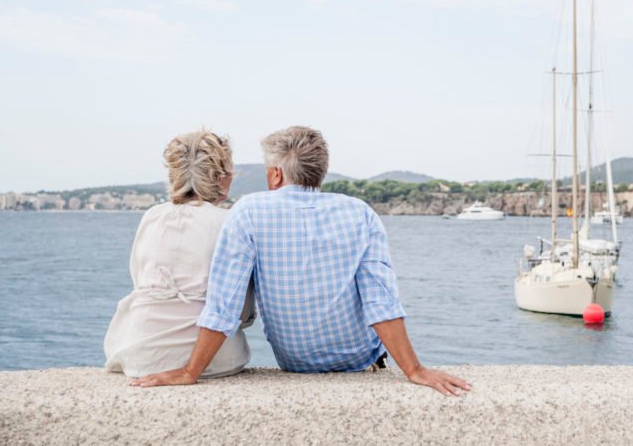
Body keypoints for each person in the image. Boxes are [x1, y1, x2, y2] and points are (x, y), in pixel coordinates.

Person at [131, 126, 470, 396]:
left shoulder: (248, 211)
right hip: (359, 361)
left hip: (296, 364)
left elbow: (225, 304)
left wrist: (191, 371)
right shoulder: (359, 212)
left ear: (275, 175)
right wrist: (414, 370)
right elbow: (380, 301)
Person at [104, 130, 253, 378]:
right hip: (214, 359)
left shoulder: (151, 216)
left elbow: (139, 279)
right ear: (221, 179)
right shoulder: (229, 222)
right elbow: (241, 308)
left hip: (139, 354)